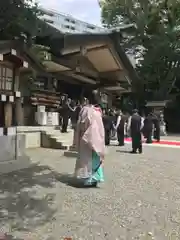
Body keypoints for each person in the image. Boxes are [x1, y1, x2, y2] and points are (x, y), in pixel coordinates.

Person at [74, 90, 105, 187]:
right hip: (91, 137)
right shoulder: (91, 110)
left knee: (91, 159)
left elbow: (82, 124)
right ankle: (91, 179)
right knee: (90, 160)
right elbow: (82, 124)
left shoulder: (91, 110)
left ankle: (93, 179)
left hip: (91, 137)